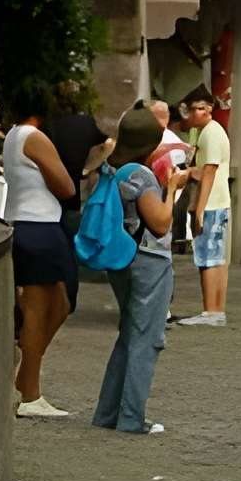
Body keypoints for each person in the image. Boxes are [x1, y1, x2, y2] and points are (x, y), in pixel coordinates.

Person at [85, 107, 177, 437]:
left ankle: (107, 414)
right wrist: (174, 188)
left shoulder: (112, 166)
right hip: (148, 262)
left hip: (121, 260)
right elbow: (161, 223)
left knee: (128, 336)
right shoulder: (141, 175)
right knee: (146, 340)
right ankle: (131, 419)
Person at [1, 95, 80, 418]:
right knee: (38, 308)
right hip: (39, 225)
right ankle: (29, 393)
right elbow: (65, 185)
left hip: (30, 223)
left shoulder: (12, 136)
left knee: (59, 304)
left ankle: (26, 378)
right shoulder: (33, 137)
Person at [170, 89, 234, 327]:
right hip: (211, 201)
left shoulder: (212, 133)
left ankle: (212, 311)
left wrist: (199, 209)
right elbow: (199, 168)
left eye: (200, 108)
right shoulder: (201, 133)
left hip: (212, 203)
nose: (194, 114)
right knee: (212, 257)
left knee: (209, 258)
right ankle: (215, 309)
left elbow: (209, 171)